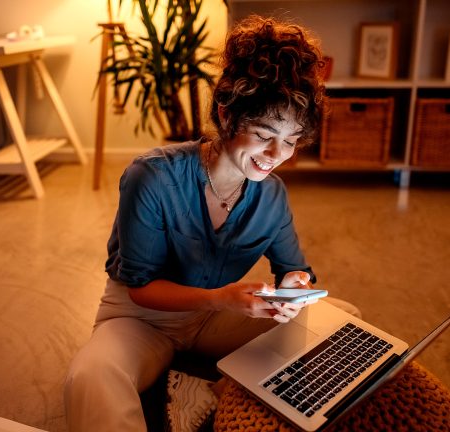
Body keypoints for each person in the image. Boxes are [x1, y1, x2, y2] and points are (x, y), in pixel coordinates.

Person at [64, 15, 360, 432]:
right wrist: (222, 298)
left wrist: (294, 287)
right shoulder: (151, 176)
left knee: (343, 319)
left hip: (213, 318)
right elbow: (142, 289)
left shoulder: (271, 195)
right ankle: (217, 386)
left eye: (291, 140)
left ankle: (215, 392)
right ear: (226, 115)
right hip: (141, 319)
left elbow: (294, 269)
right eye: (264, 133)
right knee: (91, 376)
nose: (277, 153)